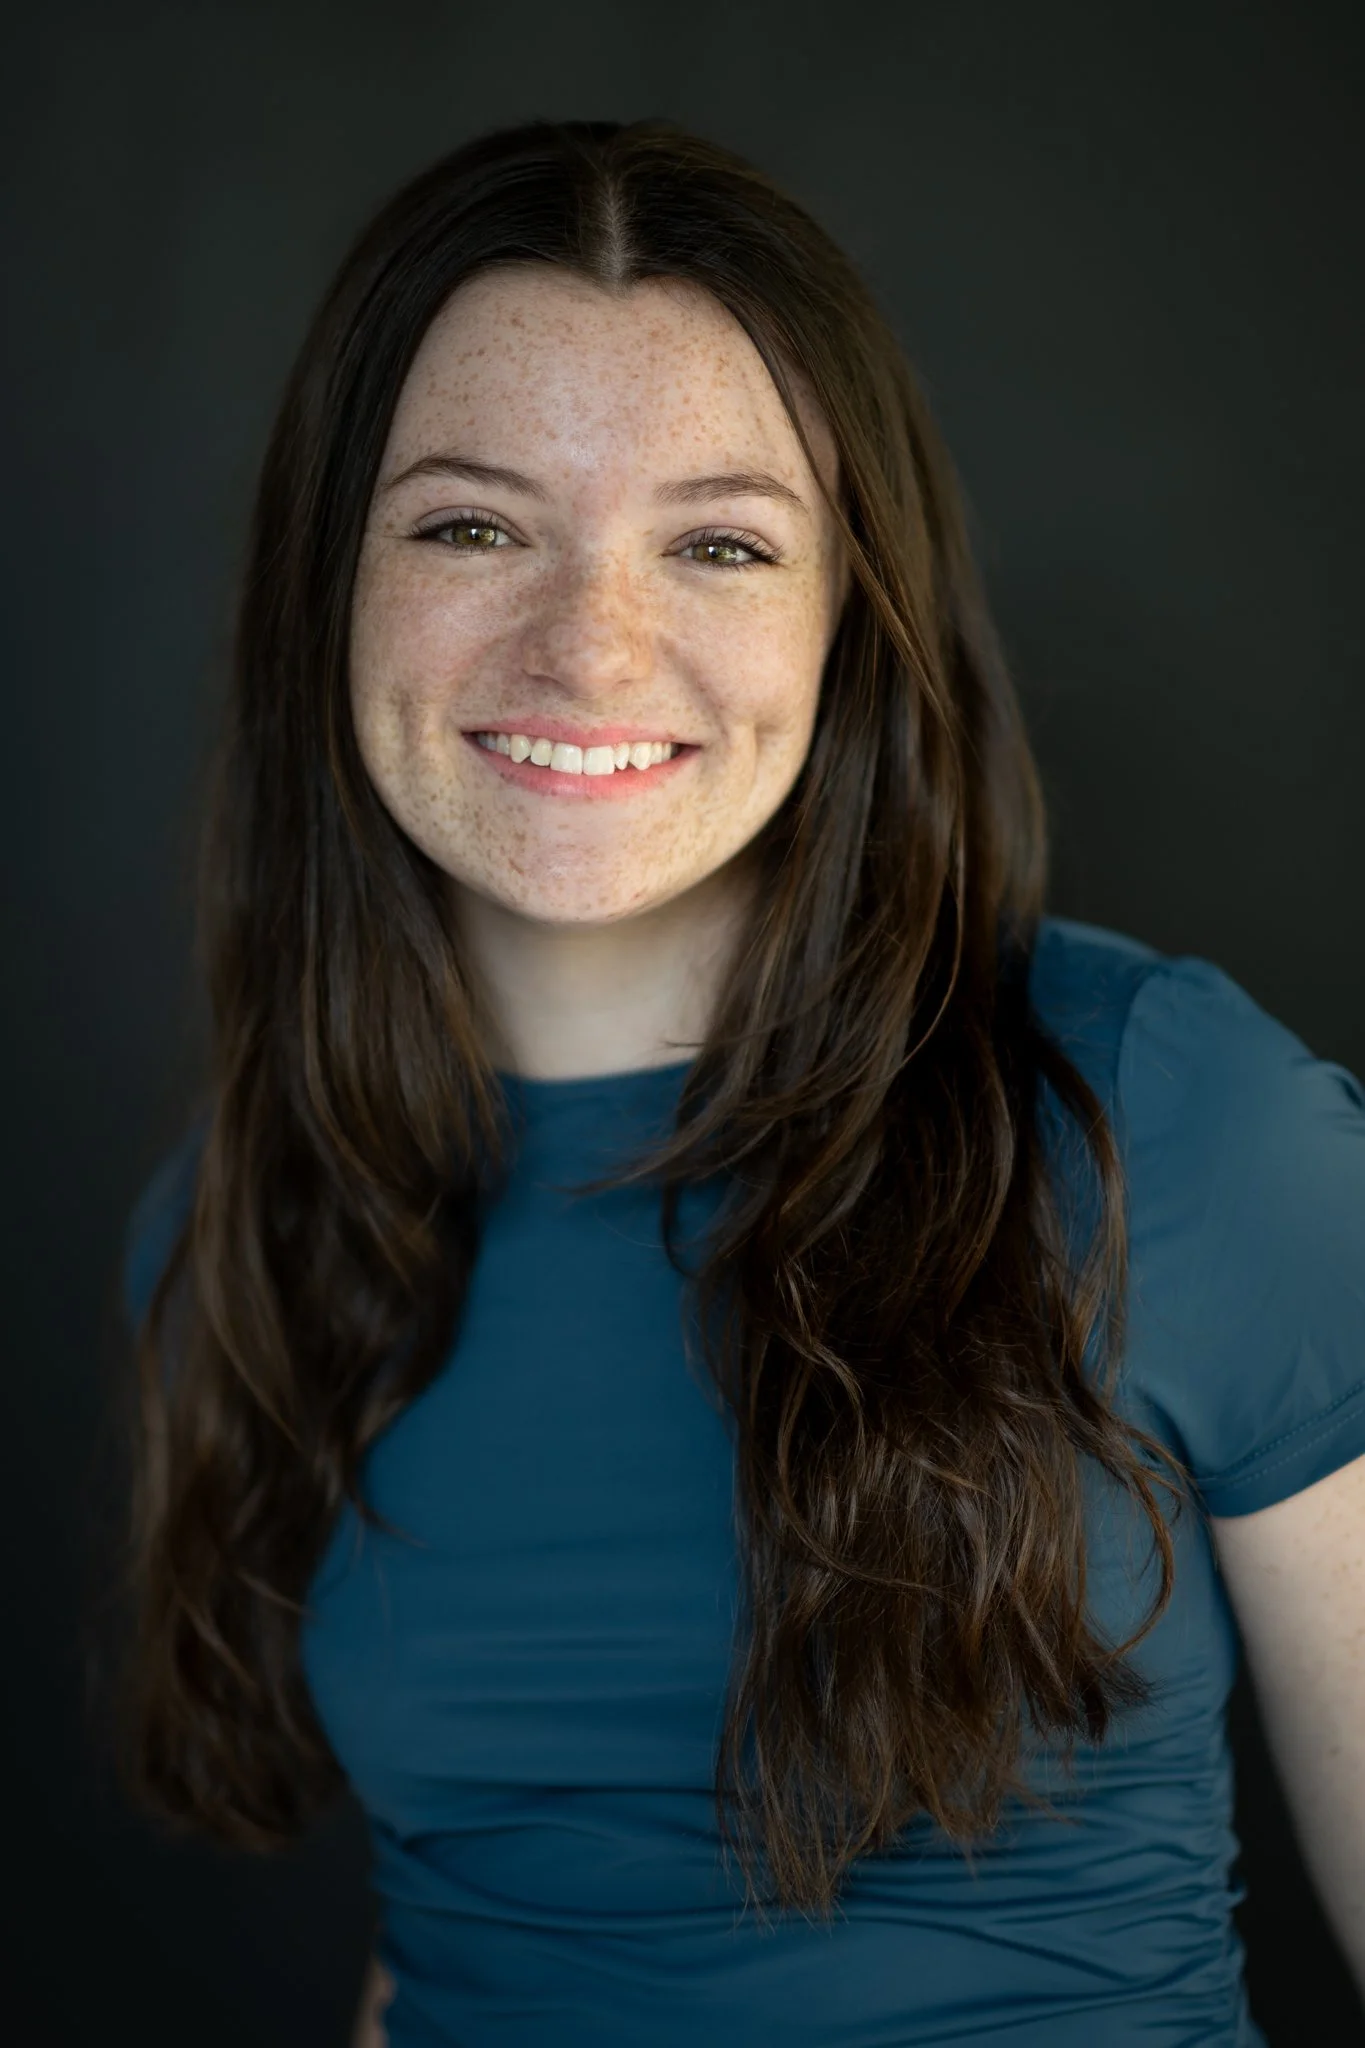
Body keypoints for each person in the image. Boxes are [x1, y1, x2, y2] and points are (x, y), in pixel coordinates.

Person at [119, 119, 1365, 2047]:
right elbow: (466, 1939)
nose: (590, 648)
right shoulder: (246, 1216)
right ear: (330, 578)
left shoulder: (1166, 1116)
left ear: (851, 611)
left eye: (719, 545)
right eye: (471, 526)